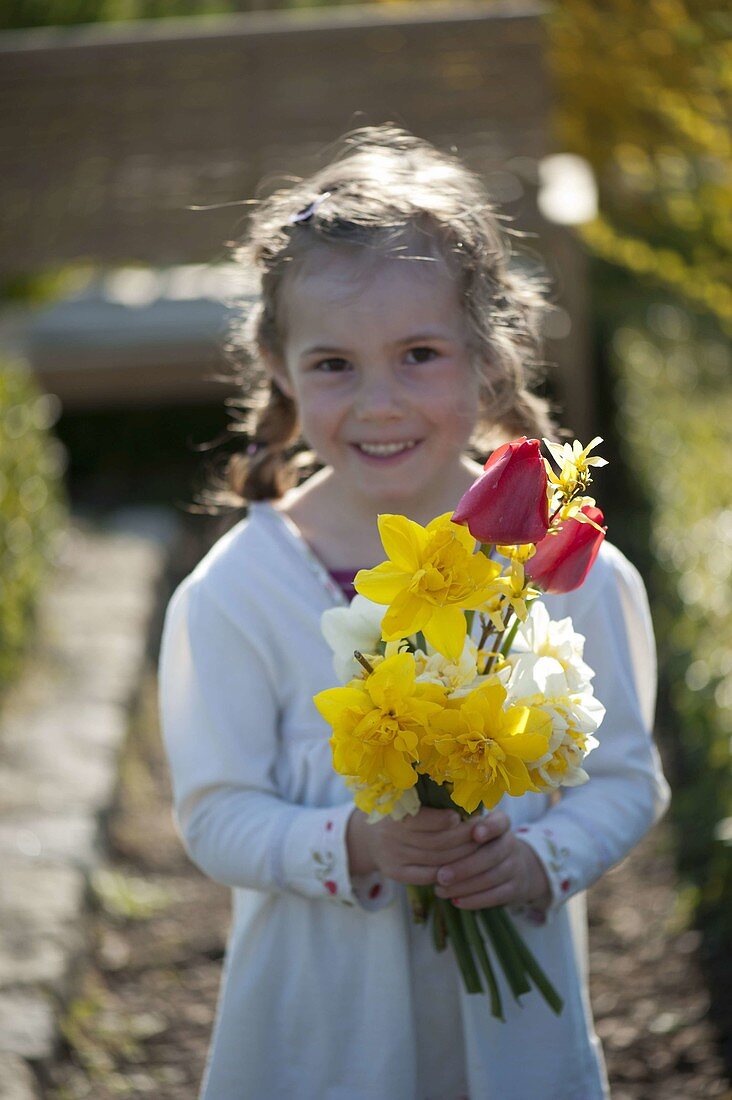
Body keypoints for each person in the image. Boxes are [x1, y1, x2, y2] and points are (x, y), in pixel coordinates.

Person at [158, 125, 670, 1100]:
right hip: (322, 1031)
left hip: (514, 1027)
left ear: (487, 353)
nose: (379, 402)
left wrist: (538, 860)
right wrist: (351, 843)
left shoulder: (561, 573)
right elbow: (216, 812)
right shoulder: (237, 593)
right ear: (278, 362)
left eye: (420, 353)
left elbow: (626, 780)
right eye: (334, 364)